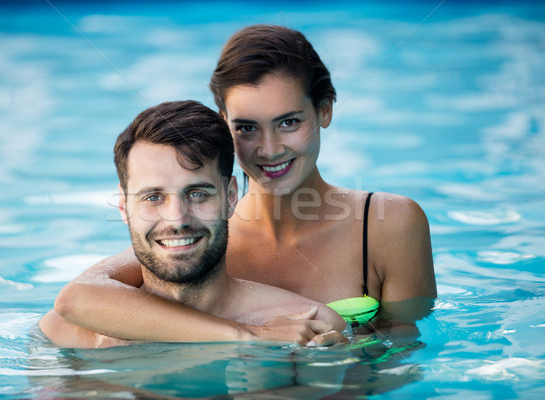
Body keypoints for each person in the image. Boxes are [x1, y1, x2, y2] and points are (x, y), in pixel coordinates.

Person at [53, 24, 437, 343]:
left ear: (324, 111)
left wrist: (341, 360)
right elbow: (81, 297)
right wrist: (247, 335)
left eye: (289, 122)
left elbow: (408, 347)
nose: (269, 149)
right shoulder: (201, 232)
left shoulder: (391, 224)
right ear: (224, 124)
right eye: (247, 128)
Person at [39, 100, 346, 348]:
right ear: (123, 205)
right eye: (153, 197)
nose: (177, 218)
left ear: (230, 197)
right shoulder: (70, 331)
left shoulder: (306, 326)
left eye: (197, 194)